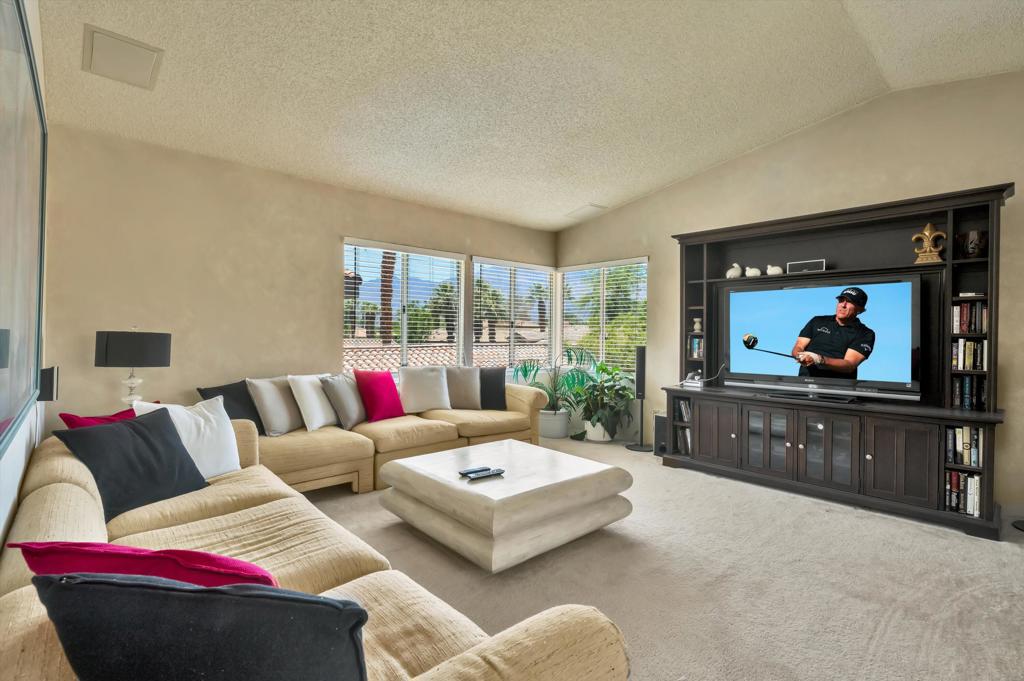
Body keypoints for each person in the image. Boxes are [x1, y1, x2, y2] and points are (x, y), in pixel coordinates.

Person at [790, 287, 875, 380]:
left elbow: (849, 365)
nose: (843, 305)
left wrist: (819, 359)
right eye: (841, 300)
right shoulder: (817, 321)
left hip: (837, 389)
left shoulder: (865, 334)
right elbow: (799, 345)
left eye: (849, 302)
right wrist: (799, 355)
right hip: (804, 383)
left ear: (860, 309)